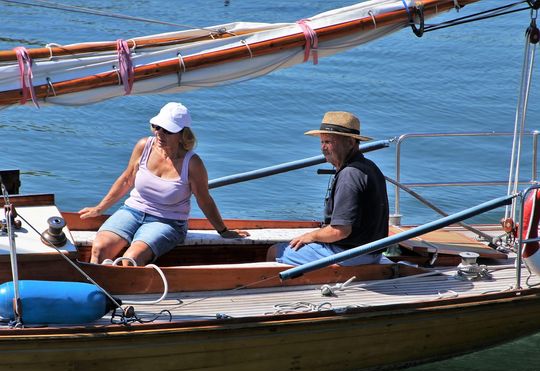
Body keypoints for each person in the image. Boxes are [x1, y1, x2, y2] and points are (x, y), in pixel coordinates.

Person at [79, 102, 249, 266]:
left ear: (182, 134)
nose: (159, 133)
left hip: (169, 221)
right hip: (132, 211)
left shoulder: (193, 164)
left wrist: (223, 231)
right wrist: (100, 208)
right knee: (99, 249)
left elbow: (204, 199)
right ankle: (98, 289)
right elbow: (127, 179)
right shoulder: (144, 146)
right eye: (156, 126)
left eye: (167, 130)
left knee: (131, 259)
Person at [267, 111, 389, 266]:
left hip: (350, 254)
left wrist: (311, 236)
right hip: (372, 252)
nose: (323, 148)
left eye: (329, 142)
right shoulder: (370, 167)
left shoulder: (349, 176)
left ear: (351, 143)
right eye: (321, 142)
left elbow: (340, 231)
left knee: (275, 251)